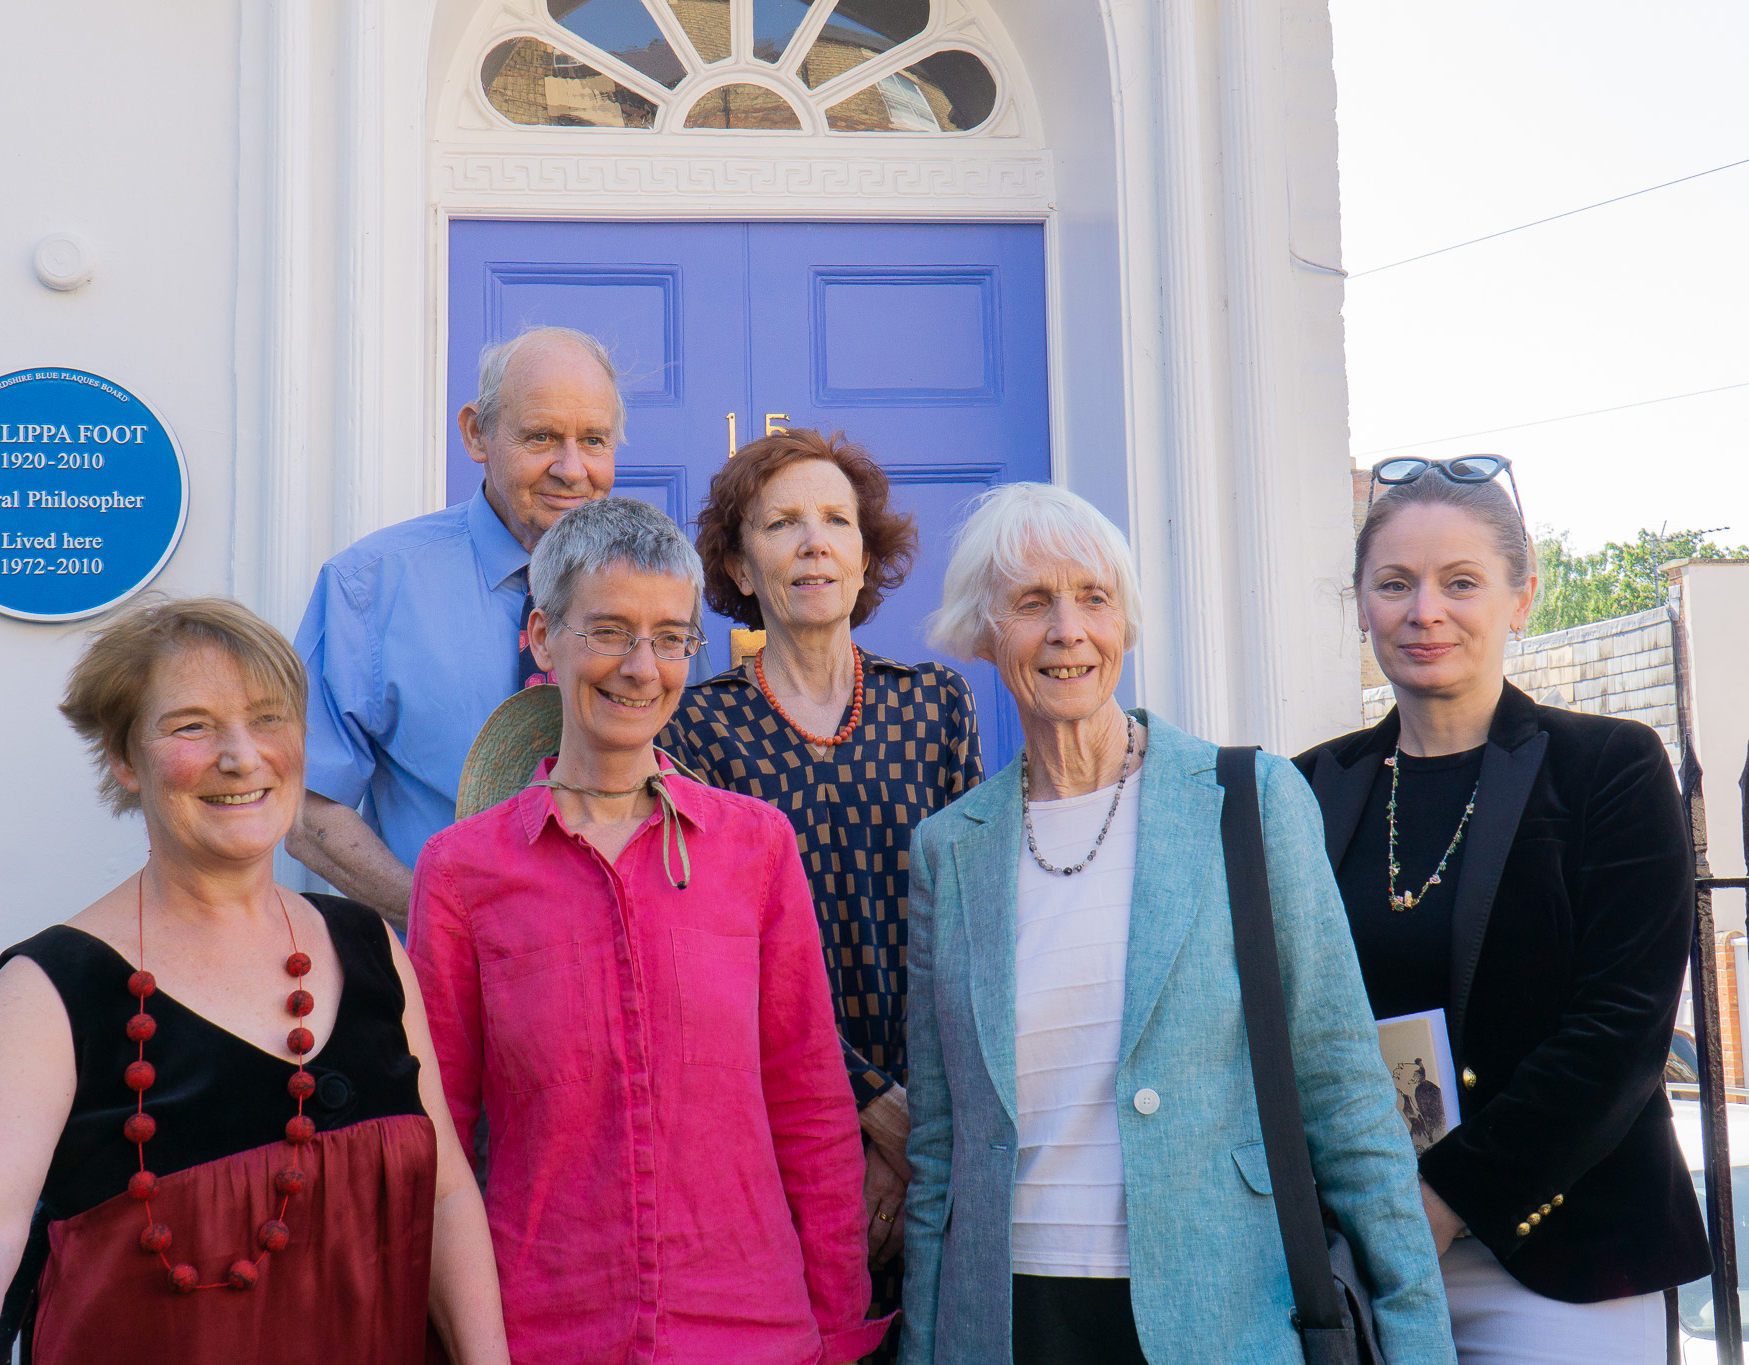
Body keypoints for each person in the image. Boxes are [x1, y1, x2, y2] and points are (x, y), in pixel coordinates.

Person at [900, 482, 1454, 1365]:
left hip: (1220, 1312)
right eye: (1032, 602)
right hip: (1007, 1322)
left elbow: (1348, 1097)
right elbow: (938, 1152)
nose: (1067, 630)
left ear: (1125, 621)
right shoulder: (948, 852)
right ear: (983, 629)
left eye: (1094, 597)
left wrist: (1420, 1339)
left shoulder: (1251, 801)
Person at [0, 598, 508, 1365]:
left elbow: (447, 1194)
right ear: (125, 757)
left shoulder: (372, 948)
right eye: (192, 725)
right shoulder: (47, 991)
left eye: (268, 718)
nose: (241, 755)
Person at [409, 497, 889, 1364]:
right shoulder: (462, 872)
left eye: (671, 637)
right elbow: (434, 1140)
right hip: (544, 1330)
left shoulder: (756, 848)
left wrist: (837, 1327)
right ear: (543, 638)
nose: (642, 667)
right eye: (609, 632)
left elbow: (811, 1105)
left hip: (755, 1330)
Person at [1294, 456, 1707, 1363]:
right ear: (1361, 603)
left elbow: (1622, 1032)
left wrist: (1442, 1202)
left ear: (1521, 599)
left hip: (1563, 1262)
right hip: (1356, 1264)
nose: (1424, 610)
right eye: (1394, 583)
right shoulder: (1306, 790)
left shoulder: (1609, 768)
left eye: (1461, 582)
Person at [658, 429, 984, 1359]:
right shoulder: (696, 726)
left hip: (943, 1116)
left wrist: (919, 1117)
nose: (814, 542)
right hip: (775, 1124)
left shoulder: (935, 705)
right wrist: (870, 1112)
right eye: (783, 523)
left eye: (837, 521)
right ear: (736, 562)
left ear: (866, 555)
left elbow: (974, 924)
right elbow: (721, 960)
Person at [286, 326, 622, 930]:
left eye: (594, 441)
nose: (573, 470)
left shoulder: (651, 590)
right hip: (437, 986)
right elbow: (307, 810)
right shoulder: (370, 588)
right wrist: (445, 921)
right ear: (476, 433)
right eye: (541, 436)